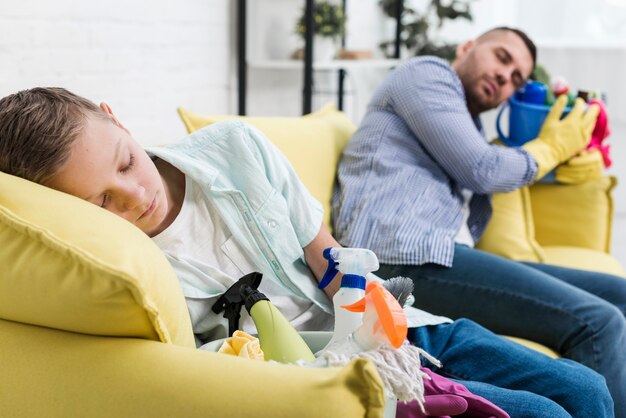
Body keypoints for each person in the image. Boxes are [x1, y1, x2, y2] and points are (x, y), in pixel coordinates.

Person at [0, 87, 614, 418]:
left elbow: (327, 257)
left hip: (399, 333)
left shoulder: (233, 149)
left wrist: (381, 322)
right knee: (545, 413)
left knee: (586, 390)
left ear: (118, 119)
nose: (135, 197)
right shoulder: (121, 268)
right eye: (101, 203)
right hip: (333, 376)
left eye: (126, 163)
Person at [332, 25, 626, 417]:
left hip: (442, 257)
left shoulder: (468, 126)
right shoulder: (427, 74)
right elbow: (483, 169)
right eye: (502, 58)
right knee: (599, 322)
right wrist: (550, 149)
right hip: (398, 256)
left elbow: (488, 165)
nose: (506, 77)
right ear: (468, 46)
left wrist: (559, 156)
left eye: (517, 78)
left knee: (619, 294)